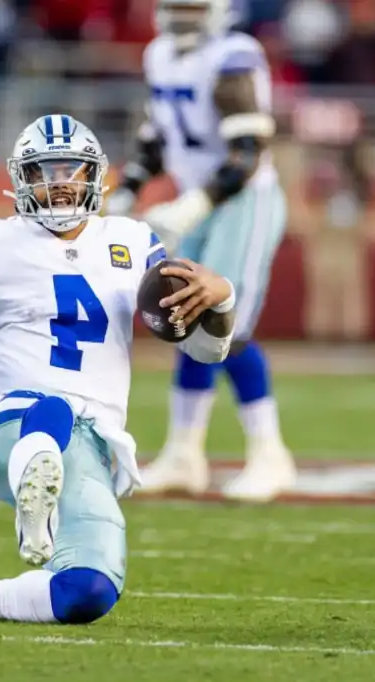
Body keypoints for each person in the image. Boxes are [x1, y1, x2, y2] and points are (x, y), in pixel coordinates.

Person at [0, 115, 236, 625]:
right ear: (22, 179)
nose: (59, 182)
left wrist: (223, 297)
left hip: (94, 445)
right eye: (44, 171)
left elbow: (206, 352)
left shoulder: (132, 240)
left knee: (86, 593)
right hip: (13, 429)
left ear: (93, 176)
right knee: (52, 407)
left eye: (71, 170)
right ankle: (33, 506)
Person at [106, 0, 295, 502]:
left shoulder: (234, 55)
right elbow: (156, 134)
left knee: (229, 325)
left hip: (242, 201)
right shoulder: (159, 54)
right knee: (185, 318)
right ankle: (185, 454)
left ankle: (270, 453)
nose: (183, 15)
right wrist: (129, 188)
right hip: (194, 201)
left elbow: (249, 154)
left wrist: (194, 204)